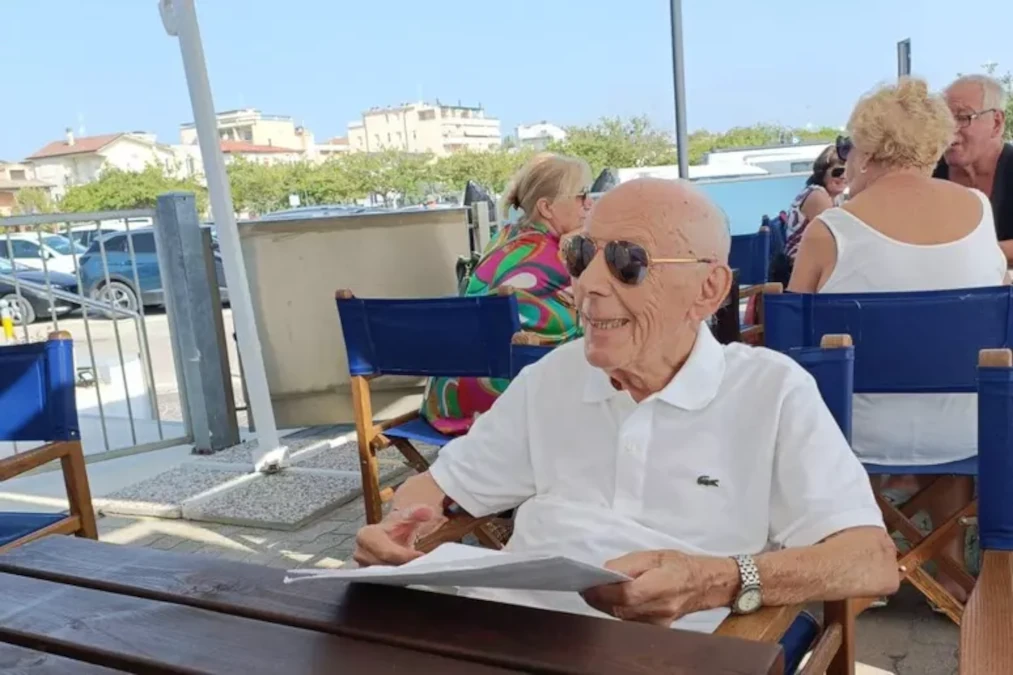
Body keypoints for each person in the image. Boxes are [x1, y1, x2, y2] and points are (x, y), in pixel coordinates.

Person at [356, 177, 899, 634]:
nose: (587, 284)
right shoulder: (552, 378)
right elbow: (442, 489)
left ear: (708, 290)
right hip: (516, 637)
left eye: (627, 262)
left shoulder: (771, 390)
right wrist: (403, 528)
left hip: (676, 651)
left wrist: (719, 580)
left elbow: (870, 560)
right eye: (581, 255)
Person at [789, 77, 1007, 604]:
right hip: (973, 431)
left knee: (838, 395)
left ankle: (862, 563)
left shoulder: (831, 229)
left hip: (855, 436)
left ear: (866, 149)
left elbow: (791, 343)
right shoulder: (980, 211)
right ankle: (947, 567)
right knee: (953, 392)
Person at [421, 153, 591, 436]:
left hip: (448, 400)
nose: (589, 204)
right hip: (505, 406)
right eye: (581, 196)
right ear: (547, 207)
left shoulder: (504, 238)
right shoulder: (558, 256)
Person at [934, 74, 1013, 263]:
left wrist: (975, 255)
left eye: (963, 118)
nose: (949, 130)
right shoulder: (928, 173)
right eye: (943, 120)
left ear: (996, 123)